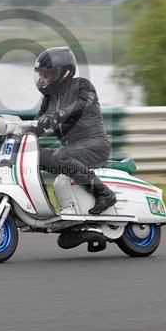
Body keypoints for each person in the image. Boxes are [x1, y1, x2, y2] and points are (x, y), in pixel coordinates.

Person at [33, 46, 117, 215]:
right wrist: (13, 135)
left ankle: (104, 194)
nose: (42, 80)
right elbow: (38, 126)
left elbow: (84, 103)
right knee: (32, 157)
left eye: (46, 75)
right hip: (71, 150)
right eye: (40, 75)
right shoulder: (49, 99)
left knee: (61, 156)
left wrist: (60, 114)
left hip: (95, 146)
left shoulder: (82, 86)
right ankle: (44, 208)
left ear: (62, 73)